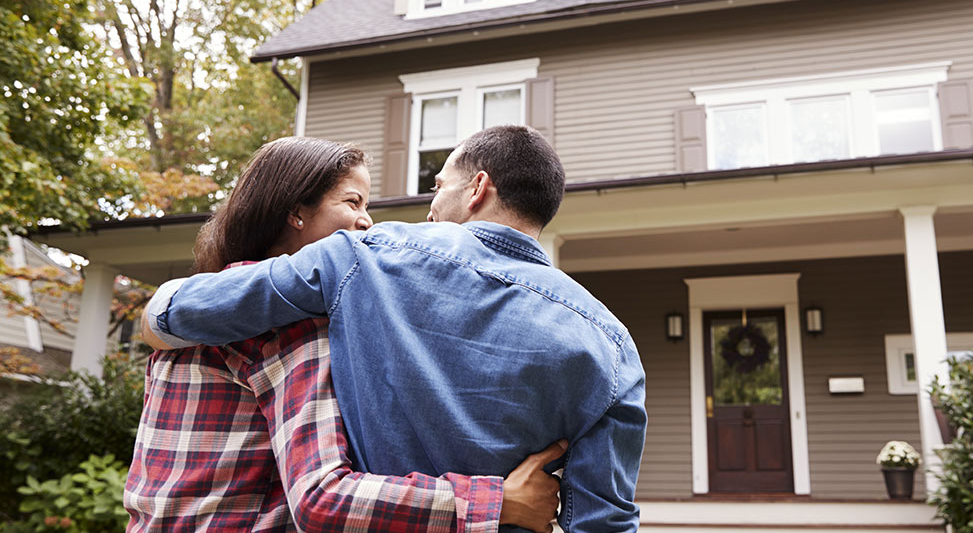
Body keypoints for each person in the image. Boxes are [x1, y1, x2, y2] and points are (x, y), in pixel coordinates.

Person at [143, 125, 647, 532]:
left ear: (477, 189)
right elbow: (605, 522)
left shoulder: (364, 261)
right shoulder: (614, 346)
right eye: (354, 202)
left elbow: (191, 307)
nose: (428, 206)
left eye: (438, 186)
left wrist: (156, 314)